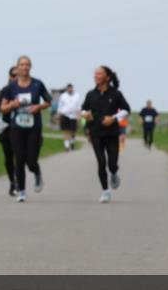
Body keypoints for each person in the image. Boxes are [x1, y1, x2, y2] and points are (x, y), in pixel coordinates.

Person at [0, 56, 52, 202]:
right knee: (19, 159)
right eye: (22, 64)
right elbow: (2, 108)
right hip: (16, 127)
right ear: (17, 67)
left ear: (30, 67)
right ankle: (21, 191)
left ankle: (37, 171)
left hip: (34, 127)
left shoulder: (37, 84)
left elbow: (48, 101)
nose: (25, 67)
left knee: (31, 160)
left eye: (27, 64)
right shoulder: (11, 87)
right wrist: (12, 105)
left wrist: (38, 107)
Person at [80, 66, 131, 203]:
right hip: (96, 133)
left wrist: (113, 118)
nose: (95, 76)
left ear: (107, 77)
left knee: (112, 164)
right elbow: (83, 110)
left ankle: (114, 173)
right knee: (101, 162)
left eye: (99, 74)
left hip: (112, 133)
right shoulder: (90, 94)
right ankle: (105, 191)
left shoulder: (116, 94)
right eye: (95, 74)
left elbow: (126, 110)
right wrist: (86, 115)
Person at [0, 66, 18, 196]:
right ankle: (13, 182)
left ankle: (19, 181)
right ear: (10, 77)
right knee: (9, 156)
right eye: (14, 75)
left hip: (22, 127)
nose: (16, 78)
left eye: (19, 75)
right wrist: (10, 105)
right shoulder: (6, 90)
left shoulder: (27, 89)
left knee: (20, 156)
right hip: (7, 126)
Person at [56, 83, 82, 152]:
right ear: (67, 89)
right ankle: (67, 146)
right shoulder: (63, 96)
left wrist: (79, 115)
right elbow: (60, 106)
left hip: (73, 116)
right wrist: (59, 115)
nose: (70, 89)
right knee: (66, 131)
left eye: (71, 88)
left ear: (72, 88)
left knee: (73, 131)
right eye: (68, 88)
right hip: (65, 115)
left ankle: (72, 143)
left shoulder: (77, 96)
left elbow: (79, 106)